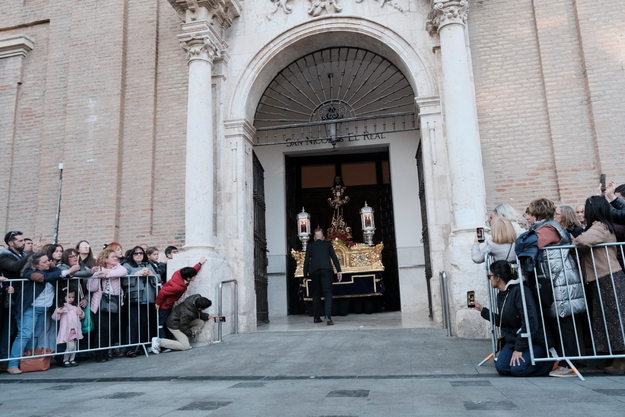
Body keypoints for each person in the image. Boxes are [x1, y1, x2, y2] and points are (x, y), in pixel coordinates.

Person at [522, 198, 585, 377]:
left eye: (530, 213)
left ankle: (569, 364)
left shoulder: (549, 228)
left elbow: (530, 244)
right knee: (559, 323)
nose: (528, 216)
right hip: (556, 280)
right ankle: (565, 361)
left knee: (564, 323)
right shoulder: (546, 227)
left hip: (561, 281)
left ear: (537, 213)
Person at [573, 195, 625, 374]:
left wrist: (574, 240)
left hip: (608, 277)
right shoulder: (601, 226)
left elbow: (582, 240)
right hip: (602, 277)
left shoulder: (600, 226)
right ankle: (614, 357)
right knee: (607, 319)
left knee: (615, 319)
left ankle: (621, 360)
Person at [474, 261, 554, 376]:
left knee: (518, 369)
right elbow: (504, 321)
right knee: (501, 367)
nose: (489, 279)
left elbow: (530, 321)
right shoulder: (501, 295)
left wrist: (519, 349)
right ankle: (525, 360)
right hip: (514, 339)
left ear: (497, 277)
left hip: (535, 340)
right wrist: (482, 310)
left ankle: (549, 362)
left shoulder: (520, 291)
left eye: (489, 276)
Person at [5, 252, 79, 374]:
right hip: (30, 309)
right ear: (36, 265)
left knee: (35, 335)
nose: (47, 263)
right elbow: (41, 277)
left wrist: (54, 267)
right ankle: (12, 364)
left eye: (48, 260)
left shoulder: (50, 271)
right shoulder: (30, 272)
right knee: (24, 335)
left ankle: (29, 362)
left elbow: (58, 275)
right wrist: (66, 271)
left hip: (43, 309)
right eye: (44, 262)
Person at [87, 248, 126, 363]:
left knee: (112, 328)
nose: (115, 258)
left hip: (114, 302)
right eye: (113, 256)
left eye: (115, 256)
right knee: (103, 329)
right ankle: (100, 354)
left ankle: (107, 351)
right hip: (100, 302)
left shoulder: (118, 268)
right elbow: (91, 288)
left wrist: (107, 274)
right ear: (106, 259)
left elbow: (124, 271)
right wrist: (97, 276)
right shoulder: (98, 270)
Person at [154, 257, 206, 339]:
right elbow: (162, 292)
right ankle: (162, 340)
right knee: (162, 323)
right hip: (165, 304)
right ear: (188, 278)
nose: (195, 277)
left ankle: (167, 339)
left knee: (166, 321)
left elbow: (191, 270)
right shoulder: (177, 287)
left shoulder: (180, 273)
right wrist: (158, 303)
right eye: (194, 276)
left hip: (169, 302)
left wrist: (199, 264)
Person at [122, 246, 157, 357]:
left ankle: (142, 347)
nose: (138, 255)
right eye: (136, 253)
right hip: (134, 298)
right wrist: (138, 273)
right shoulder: (127, 265)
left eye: (141, 253)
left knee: (144, 324)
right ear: (132, 255)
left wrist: (151, 274)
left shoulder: (148, 264)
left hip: (147, 298)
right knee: (133, 323)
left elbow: (158, 277)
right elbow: (124, 280)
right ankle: (130, 348)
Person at [303, 228, 342, 325]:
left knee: (316, 294)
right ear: (323, 237)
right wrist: (339, 271)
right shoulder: (327, 244)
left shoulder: (310, 246)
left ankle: (316, 318)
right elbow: (334, 257)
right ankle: (328, 317)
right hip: (326, 270)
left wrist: (305, 275)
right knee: (327, 293)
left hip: (314, 271)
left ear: (314, 238)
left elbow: (306, 261)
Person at [151, 294, 215, 353]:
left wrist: (207, 316)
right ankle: (159, 341)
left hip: (181, 321)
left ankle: (184, 340)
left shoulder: (195, 299)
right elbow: (183, 326)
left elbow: (196, 312)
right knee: (185, 346)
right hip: (174, 325)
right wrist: (191, 333)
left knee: (200, 322)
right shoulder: (187, 313)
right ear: (200, 308)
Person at [51, 288, 84, 367]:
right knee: (70, 346)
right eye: (69, 297)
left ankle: (72, 359)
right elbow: (54, 318)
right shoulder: (61, 308)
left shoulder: (76, 307)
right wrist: (58, 312)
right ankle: (65, 359)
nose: (71, 299)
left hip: (75, 329)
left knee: (74, 346)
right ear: (64, 297)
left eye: (73, 297)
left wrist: (81, 314)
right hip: (67, 330)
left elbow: (81, 316)